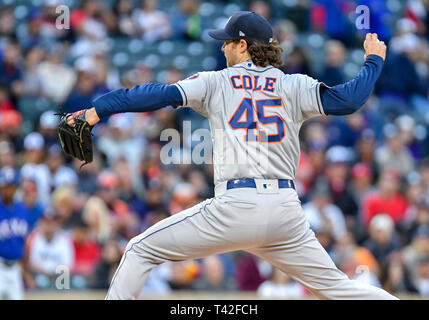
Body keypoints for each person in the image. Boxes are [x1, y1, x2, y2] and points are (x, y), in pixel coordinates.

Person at [67, 11, 397, 300]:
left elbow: (155, 95)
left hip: (237, 206)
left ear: (243, 46)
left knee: (140, 250)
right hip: (285, 213)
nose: (222, 46)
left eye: (227, 41)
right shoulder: (293, 84)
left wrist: (97, 111)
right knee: (338, 288)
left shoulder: (217, 82)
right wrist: (374, 60)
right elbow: (349, 100)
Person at [0, 167, 33, 300]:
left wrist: (26, 272)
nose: (9, 190)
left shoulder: (22, 210)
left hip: (15, 269)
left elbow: (23, 244)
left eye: (12, 186)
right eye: (5, 186)